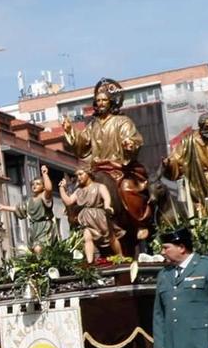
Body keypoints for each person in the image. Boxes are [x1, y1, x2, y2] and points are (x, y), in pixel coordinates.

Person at [62, 77, 154, 255]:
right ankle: (77, 223)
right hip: (97, 168)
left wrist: (129, 144)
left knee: (127, 188)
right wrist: (69, 131)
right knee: (79, 187)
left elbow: (134, 139)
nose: (101, 103)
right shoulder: (93, 125)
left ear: (111, 102)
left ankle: (139, 222)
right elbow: (82, 145)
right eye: (98, 101)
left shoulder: (122, 121)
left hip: (119, 167)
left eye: (104, 100)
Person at [61, 166, 115, 262]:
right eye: (77, 175)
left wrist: (107, 206)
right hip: (87, 218)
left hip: (99, 216)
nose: (78, 177)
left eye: (81, 174)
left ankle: (120, 255)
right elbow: (68, 201)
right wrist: (61, 188)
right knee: (87, 236)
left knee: (111, 238)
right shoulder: (79, 191)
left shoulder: (99, 186)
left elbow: (106, 198)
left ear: (88, 174)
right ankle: (90, 262)